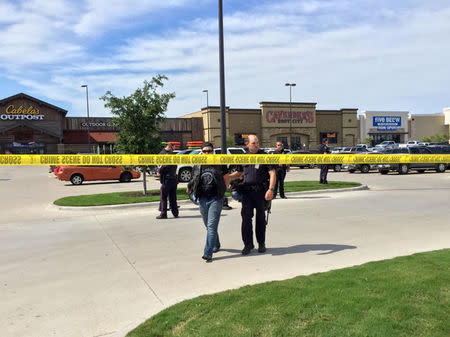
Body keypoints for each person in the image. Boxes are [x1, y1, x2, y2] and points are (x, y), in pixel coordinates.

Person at [229, 135, 276, 255]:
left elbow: (272, 173)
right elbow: (239, 172)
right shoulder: (243, 157)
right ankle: (248, 245)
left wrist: (270, 189)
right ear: (247, 144)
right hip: (246, 192)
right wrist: (228, 178)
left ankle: (261, 243)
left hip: (261, 192)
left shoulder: (264, 156)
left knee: (260, 219)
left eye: (257, 142)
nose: (257, 145)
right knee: (246, 220)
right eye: (254, 143)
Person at [187, 142, 229, 262]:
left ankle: (208, 253)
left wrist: (222, 190)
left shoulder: (219, 161)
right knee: (208, 225)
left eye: (209, 151)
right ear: (201, 152)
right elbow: (194, 177)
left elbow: (226, 177)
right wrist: (190, 186)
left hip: (215, 198)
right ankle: (216, 244)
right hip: (202, 198)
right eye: (205, 151)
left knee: (211, 226)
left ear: (213, 151)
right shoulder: (198, 163)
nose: (207, 153)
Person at [156, 143, 179, 219]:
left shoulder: (167, 154)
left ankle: (163, 214)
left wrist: (159, 172)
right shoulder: (166, 154)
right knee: (172, 197)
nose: (173, 150)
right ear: (169, 147)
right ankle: (175, 213)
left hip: (168, 179)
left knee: (164, 197)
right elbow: (162, 166)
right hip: (171, 178)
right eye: (172, 148)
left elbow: (162, 167)